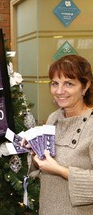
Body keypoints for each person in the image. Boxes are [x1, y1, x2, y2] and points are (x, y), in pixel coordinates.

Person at [27, 55, 93, 214]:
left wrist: (60, 170)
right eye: (55, 84)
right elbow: (44, 162)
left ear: (85, 87)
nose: (59, 91)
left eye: (68, 84)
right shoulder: (54, 118)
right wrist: (35, 154)